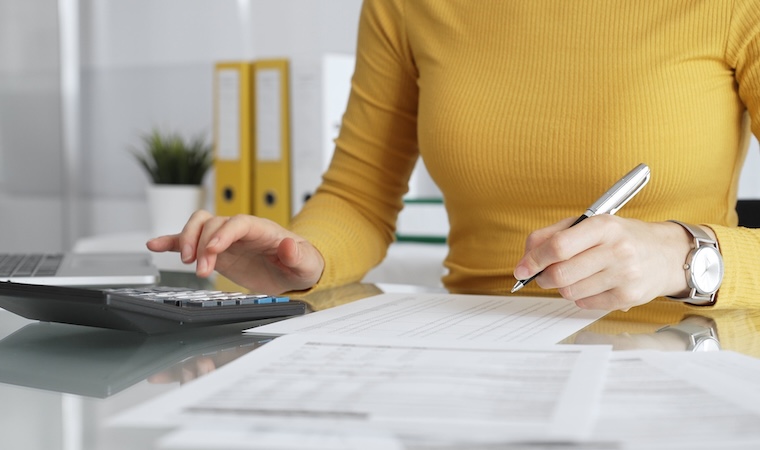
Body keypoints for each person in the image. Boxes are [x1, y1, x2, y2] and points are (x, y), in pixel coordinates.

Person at [148, 0, 760, 312]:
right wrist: (305, 256)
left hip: (679, 357)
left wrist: (687, 257)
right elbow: (358, 195)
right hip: (471, 357)